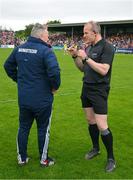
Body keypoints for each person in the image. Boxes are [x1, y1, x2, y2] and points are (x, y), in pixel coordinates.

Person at [4, 23, 61, 167]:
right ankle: (44, 159)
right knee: (43, 129)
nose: (48, 37)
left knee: (23, 127)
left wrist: (19, 80)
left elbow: (7, 66)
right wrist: (54, 87)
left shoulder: (19, 48)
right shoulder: (46, 51)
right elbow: (54, 72)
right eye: (47, 34)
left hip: (24, 98)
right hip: (42, 99)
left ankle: (22, 158)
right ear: (41, 35)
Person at [68, 21, 115, 172]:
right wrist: (75, 56)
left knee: (102, 125)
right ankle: (96, 148)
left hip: (99, 90)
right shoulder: (89, 47)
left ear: (95, 32)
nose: (84, 36)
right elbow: (83, 68)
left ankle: (111, 158)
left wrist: (86, 58)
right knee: (90, 120)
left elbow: (104, 70)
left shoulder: (107, 47)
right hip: (86, 88)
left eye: (86, 32)